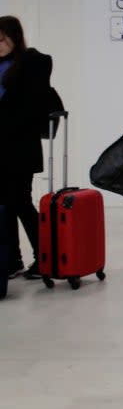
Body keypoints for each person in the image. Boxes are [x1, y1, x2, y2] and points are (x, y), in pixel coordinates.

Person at [0, 16, 52, 282]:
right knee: (5, 205)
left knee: (20, 201)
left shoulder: (31, 64)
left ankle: (44, 258)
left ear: (14, 37)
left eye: (1, 39)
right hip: (2, 148)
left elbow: (30, 107)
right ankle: (11, 261)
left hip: (19, 148)